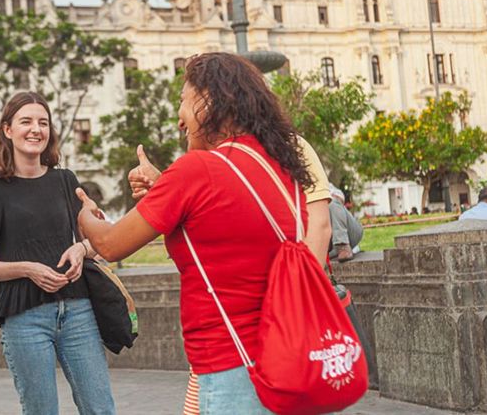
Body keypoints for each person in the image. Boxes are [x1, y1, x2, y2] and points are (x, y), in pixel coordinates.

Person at [77, 52, 315, 414]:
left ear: (212, 101)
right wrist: (164, 188)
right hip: (289, 356)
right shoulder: (278, 167)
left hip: (233, 365)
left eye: (183, 102)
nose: (179, 119)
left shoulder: (196, 171)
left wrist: (83, 212)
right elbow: (221, 229)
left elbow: (110, 244)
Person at [0, 91, 116, 415]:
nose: (36, 129)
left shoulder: (66, 181)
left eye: (43, 122)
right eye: (26, 121)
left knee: (101, 408)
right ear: (7, 129)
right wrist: (27, 269)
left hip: (78, 311)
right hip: (25, 319)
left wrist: (81, 248)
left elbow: (98, 242)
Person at [328, 184, 364, 262]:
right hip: (324, 245)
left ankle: (342, 246)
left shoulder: (318, 181)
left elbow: (339, 196)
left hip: (350, 232)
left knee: (332, 202)